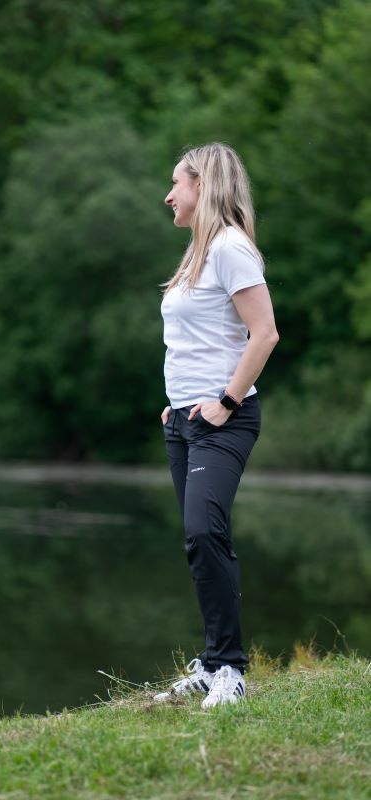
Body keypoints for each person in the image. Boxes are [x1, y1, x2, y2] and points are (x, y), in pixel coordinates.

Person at [154, 142, 279, 708]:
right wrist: (177, 402)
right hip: (184, 420)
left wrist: (225, 401)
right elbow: (195, 341)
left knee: (207, 531)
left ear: (201, 185)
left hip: (223, 420)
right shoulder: (197, 252)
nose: (169, 196)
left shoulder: (230, 247)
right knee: (197, 541)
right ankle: (210, 666)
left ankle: (230, 669)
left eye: (176, 183)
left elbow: (265, 333)